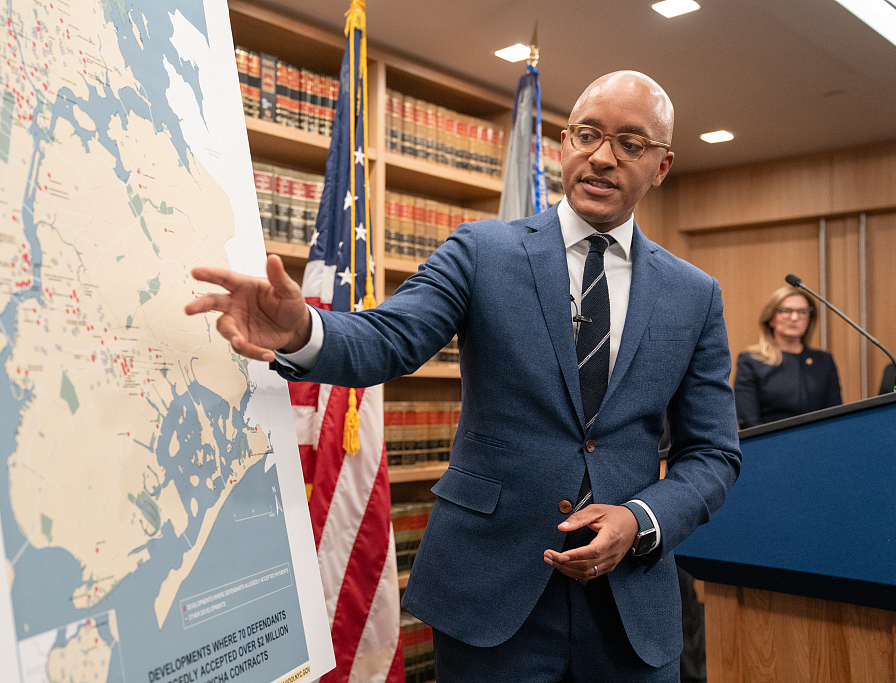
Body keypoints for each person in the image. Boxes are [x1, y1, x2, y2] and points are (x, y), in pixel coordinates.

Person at [186, 71, 741, 682]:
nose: (602, 157)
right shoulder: (483, 251)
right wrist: (302, 332)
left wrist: (640, 519)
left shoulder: (694, 296)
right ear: (563, 143)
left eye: (630, 144)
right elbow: (388, 339)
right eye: (588, 135)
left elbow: (712, 454)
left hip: (629, 613)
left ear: (661, 167)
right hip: (490, 598)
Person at [734, 287, 842, 429]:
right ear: (771, 318)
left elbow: (835, 416)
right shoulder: (751, 361)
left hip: (819, 444)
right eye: (786, 311)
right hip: (769, 445)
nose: (794, 317)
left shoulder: (824, 361)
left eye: (802, 312)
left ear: (809, 320)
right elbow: (749, 422)